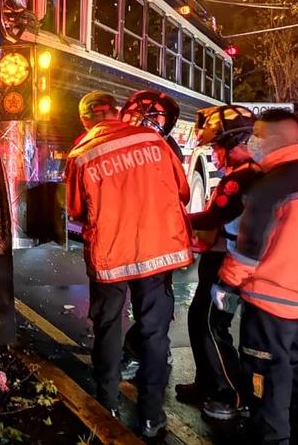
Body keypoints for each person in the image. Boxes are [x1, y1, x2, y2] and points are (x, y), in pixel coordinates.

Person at [213, 109, 298, 444]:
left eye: (256, 135)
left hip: (269, 302)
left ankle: (272, 436)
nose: (251, 141)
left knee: (266, 372)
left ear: (273, 139)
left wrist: (225, 286)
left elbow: (248, 253)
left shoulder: (267, 188)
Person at [65, 91, 193, 438]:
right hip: (157, 251)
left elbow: (76, 211)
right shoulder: (154, 141)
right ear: (117, 112)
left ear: (85, 119)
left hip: (111, 256)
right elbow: (182, 191)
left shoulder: (81, 154)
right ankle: (151, 416)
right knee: (154, 333)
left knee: (108, 327)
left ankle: (106, 403)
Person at [173, 106, 262, 422]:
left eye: (217, 146)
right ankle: (208, 383)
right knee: (200, 319)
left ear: (234, 142)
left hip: (230, 265)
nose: (214, 154)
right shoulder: (246, 173)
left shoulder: (244, 177)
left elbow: (214, 216)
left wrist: (177, 218)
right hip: (222, 258)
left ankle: (231, 395)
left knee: (213, 324)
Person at [116, 90, 184, 381]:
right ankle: (153, 352)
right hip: (136, 241)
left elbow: (178, 194)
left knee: (152, 307)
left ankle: (141, 356)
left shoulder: (166, 151)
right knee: (147, 305)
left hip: (155, 243)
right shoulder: (127, 146)